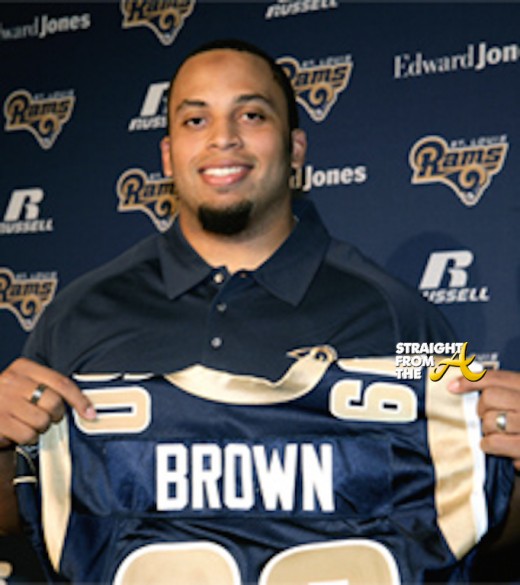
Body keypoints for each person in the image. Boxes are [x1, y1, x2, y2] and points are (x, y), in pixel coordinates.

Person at [0, 39, 519, 583]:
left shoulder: (400, 317)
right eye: (196, 120)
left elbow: (478, 512)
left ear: (295, 148)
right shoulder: (78, 317)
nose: (223, 137)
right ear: (168, 155)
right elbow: (26, 515)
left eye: (251, 115)